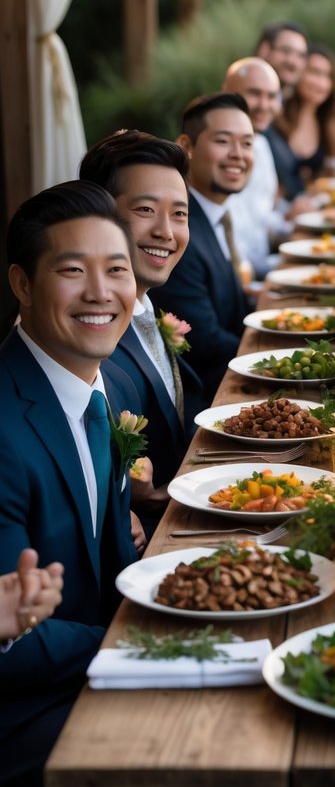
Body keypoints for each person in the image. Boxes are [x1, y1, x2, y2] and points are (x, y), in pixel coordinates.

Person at [0, 182, 140, 787]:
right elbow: (13, 638)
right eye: (72, 271)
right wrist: (140, 641)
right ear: (22, 286)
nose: (100, 293)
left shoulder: (95, 383)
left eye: (116, 270)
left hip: (90, 668)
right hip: (25, 717)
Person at [79, 130, 202, 530]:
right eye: (146, 210)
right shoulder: (87, 334)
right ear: (98, 215)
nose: (166, 232)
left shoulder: (146, 307)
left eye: (179, 214)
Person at [161, 92, 254, 402]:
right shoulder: (178, 228)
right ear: (186, 146)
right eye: (224, 141)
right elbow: (205, 342)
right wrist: (284, 358)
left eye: (247, 143)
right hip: (209, 394)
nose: (238, 154)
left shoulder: (213, 213)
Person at [222, 57, 291, 277]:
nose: (263, 105)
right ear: (227, 93)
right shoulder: (214, 155)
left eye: (271, 96)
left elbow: (261, 216)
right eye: (254, 93)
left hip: (262, 267)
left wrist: (292, 226)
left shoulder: (261, 144)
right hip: (237, 280)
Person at [275, 43, 335, 186]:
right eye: (314, 72)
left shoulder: (330, 126)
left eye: (327, 76)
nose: (321, 83)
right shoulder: (277, 116)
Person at [254, 22, 309, 198]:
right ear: (264, 50)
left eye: (301, 55)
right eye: (285, 51)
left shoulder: (290, 105)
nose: (293, 62)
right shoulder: (248, 106)